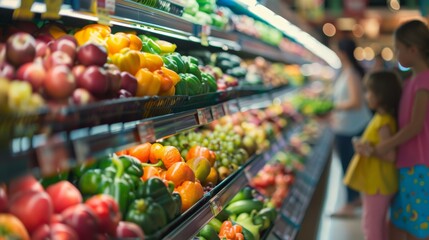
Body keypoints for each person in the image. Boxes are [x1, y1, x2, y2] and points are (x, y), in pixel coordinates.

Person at [368, 20, 429, 240]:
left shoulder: (424, 82)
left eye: (398, 49)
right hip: (407, 163)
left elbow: (414, 126)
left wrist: (385, 144)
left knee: (417, 227)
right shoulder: (413, 80)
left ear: (413, 50)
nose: (396, 54)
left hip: (419, 165)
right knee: (401, 221)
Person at [343, 71, 402, 240]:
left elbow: (390, 156)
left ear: (380, 96)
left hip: (378, 184)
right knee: (377, 224)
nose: (365, 96)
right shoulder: (382, 118)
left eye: (368, 91)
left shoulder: (383, 122)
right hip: (377, 182)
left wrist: (368, 150)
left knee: (371, 225)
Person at [330, 37, 373, 217]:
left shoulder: (352, 74)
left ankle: (349, 203)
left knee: (349, 167)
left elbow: (355, 102)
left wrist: (332, 106)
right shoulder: (348, 72)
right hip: (347, 126)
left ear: (343, 53)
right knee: (349, 166)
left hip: (352, 128)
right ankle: (354, 199)